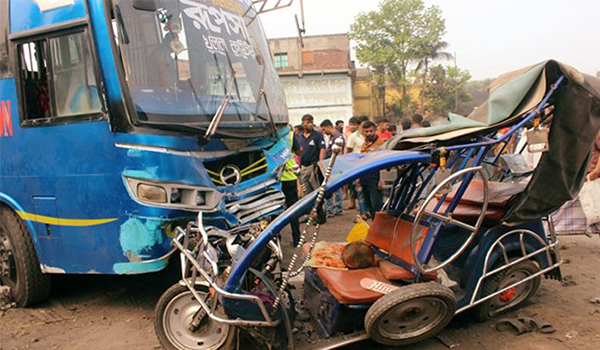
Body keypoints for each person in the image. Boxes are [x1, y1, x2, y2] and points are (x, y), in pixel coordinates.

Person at [294, 114, 327, 223]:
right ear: (302, 123)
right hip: (303, 167)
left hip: (313, 167)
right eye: (307, 122)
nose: (310, 124)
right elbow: (297, 152)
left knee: (317, 192)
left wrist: (320, 164)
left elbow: (322, 149)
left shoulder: (317, 135)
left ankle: (320, 216)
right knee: (306, 193)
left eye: (311, 122)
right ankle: (309, 215)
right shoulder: (299, 136)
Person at [359, 121, 385, 219]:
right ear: (363, 132)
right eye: (367, 131)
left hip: (375, 177)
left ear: (375, 131)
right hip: (364, 177)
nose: (369, 133)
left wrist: (382, 179)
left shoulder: (380, 144)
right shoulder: (364, 145)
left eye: (371, 131)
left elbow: (383, 163)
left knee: (376, 205)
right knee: (368, 203)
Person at [281, 131, 301, 247]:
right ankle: (296, 239)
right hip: (289, 177)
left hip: (273, 178)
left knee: (273, 211)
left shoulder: (267, 133)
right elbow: (299, 151)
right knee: (293, 210)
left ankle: (273, 241)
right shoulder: (290, 134)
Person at [320, 119, 344, 217]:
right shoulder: (331, 137)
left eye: (324, 129)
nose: (323, 132)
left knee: (337, 187)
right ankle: (331, 209)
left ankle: (338, 209)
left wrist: (336, 165)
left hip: (335, 164)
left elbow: (339, 152)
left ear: (328, 127)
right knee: (330, 187)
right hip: (330, 164)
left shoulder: (338, 137)